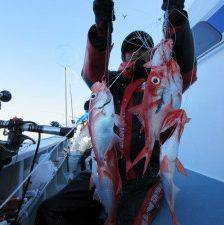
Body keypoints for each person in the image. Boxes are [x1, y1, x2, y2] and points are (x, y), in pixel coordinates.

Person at [35, 0, 197, 224]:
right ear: (123, 56)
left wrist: (175, 16)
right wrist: (102, 27)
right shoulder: (108, 82)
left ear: (151, 54)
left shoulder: (159, 82)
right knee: (49, 211)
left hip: (146, 178)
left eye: (142, 49)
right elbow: (92, 72)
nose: (136, 53)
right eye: (130, 50)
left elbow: (185, 68)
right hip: (103, 170)